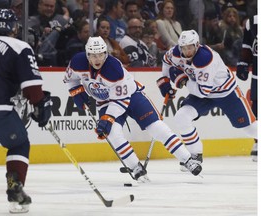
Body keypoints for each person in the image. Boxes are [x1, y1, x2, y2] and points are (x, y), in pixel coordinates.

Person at [64, 36, 202, 183]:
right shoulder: (77, 62)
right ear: (87, 55)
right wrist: (76, 90)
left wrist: (107, 118)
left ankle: (187, 160)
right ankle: (135, 166)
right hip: (105, 102)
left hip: (131, 96)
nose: (97, 59)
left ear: (106, 53)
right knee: (112, 134)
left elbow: (120, 100)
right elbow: (71, 79)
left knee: (157, 128)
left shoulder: (113, 68)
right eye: (93, 55)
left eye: (100, 55)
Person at [0, 9, 52, 213]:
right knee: (19, 143)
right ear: (15, 28)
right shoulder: (19, 46)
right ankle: (15, 191)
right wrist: (40, 105)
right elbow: (31, 86)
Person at [157, 30, 258, 169]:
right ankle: (195, 155)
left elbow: (202, 91)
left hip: (226, 93)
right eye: (184, 47)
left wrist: (182, 80)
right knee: (181, 117)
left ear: (197, 45)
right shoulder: (175, 52)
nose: (187, 51)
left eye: (190, 47)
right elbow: (166, 62)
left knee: (249, 128)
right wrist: (164, 81)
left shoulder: (204, 59)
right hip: (203, 91)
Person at [236, 15, 258, 162]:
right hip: (259, 74)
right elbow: (248, 46)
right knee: (257, 107)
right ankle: (258, 142)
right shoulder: (253, 21)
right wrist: (243, 63)